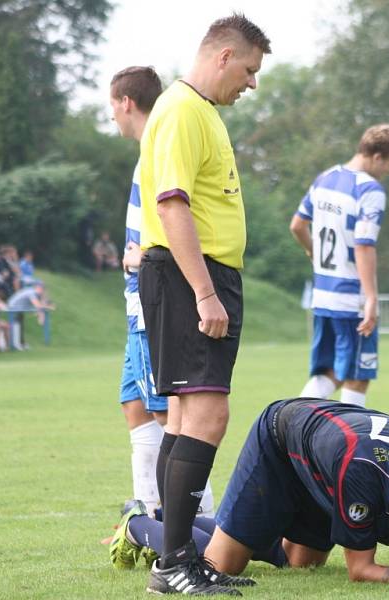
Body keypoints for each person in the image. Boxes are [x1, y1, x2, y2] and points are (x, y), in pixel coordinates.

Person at [137, 13, 271, 595]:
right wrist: (206, 292)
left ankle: (177, 555)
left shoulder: (200, 111)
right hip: (191, 277)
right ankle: (174, 564)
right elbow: (172, 206)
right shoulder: (183, 109)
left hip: (197, 276)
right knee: (209, 416)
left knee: (190, 417)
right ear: (222, 56)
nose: (252, 83)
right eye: (249, 69)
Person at [110, 398, 389, 595]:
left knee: (301, 561)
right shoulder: (359, 476)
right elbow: (360, 571)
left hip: (325, 452)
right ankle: (140, 524)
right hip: (280, 437)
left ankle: (182, 521)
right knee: (223, 564)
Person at [109, 65, 217, 519]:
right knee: (135, 405)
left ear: (125, 103)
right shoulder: (146, 151)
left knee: (171, 416)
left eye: (111, 105)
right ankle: (148, 505)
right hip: (138, 306)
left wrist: (141, 258)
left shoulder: (157, 148)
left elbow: (171, 216)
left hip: (152, 303)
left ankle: (197, 521)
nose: (111, 115)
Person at [289, 124, 389, 408]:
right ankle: (350, 446)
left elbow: (297, 225)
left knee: (330, 372)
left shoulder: (325, 178)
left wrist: (313, 253)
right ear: (377, 156)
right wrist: (371, 298)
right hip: (350, 297)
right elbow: (364, 245)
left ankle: (291, 424)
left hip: (323, 296)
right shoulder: (370, 190)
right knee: (356, 375)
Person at [6, 282, 54, 350]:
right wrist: (48, 307)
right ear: (38, 288)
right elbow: (38, 305)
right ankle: (16, 344)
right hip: (13, 307)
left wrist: (42, 311)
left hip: (19, 308)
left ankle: (20, 343)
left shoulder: (35, 293)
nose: (43, 291)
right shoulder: (32, 293)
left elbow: (40, 305)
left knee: (20, 323)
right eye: (42, 289)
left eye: (44, 289)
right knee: (17, 324)